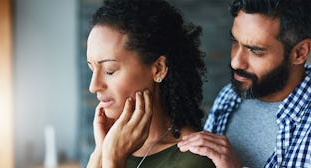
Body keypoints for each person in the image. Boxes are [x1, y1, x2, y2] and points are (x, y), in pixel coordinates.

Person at [178, 0, 311, 167]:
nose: (236, 62)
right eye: (235, 41)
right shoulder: (229, 96)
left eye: (255, 51)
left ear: (300, 53)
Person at [85, 0, 215, 167]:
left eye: (109, 70)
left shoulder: (192, 160)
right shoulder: (111, 146)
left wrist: (113, 160)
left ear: (159, 69)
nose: (93, 86)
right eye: (92, 69)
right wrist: (100, 153)